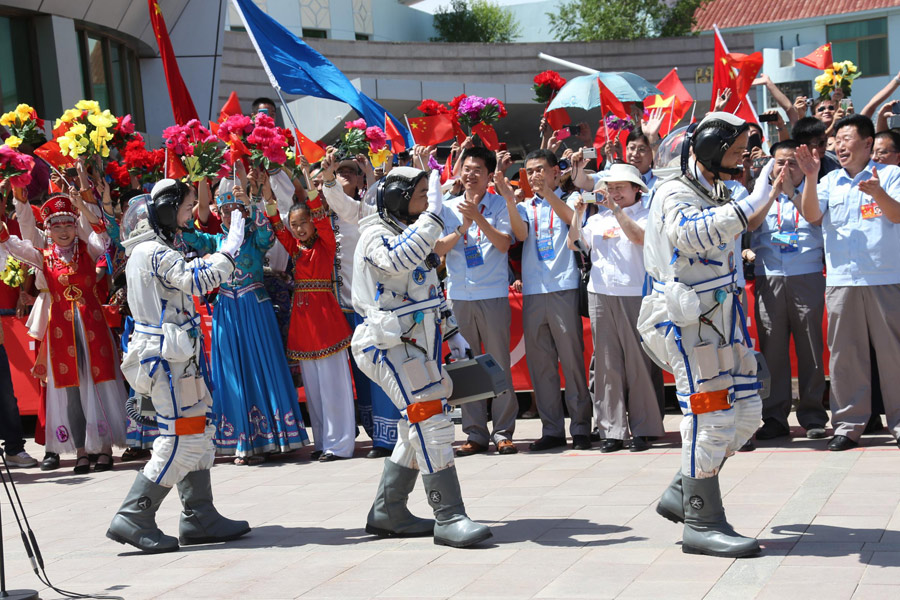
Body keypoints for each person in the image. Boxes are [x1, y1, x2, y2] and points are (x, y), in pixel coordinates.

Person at [639, 112, 769, 558]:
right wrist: (753, 200)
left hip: (723, 318)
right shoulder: (674, 192)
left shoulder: (714, 189)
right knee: (710, 419)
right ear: (710, 151)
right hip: (687, 322)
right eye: (733, 152)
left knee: (747, 414)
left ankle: (683, 488)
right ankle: (701, 520)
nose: (739, 160)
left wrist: (750, 196)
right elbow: (688, 236)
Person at [107, 180, 250, 553]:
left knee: (199, 430)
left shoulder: (152, 249)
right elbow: (196, 280)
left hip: (176, 356)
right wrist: (229, 249)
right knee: (182, 436)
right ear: (167, 209)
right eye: (186, 207)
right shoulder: (154, 251)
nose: (190, 214)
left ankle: (199, 514)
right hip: (168, 360)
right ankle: (134, 514)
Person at [351, 167, 491, 548]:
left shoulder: (411, 233)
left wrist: (453, 334)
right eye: (417, 196)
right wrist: (433, 217)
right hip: (386, 344)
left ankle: (388, 510)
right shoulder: (375, 235)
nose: (425, 202)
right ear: (395, 198)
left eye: (427, 196)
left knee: (417, 424)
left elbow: (431, 291)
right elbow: (397, 262)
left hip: (417, 345)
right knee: (430, 420)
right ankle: (449, 515)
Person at [1, 186, 127, 474]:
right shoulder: (43, 256)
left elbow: (102, 233)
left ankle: (104, 448)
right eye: (56, 226)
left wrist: (84, 203)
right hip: (60, 331)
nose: (63, 230)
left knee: (99, 384)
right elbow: (14, 244)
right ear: (48, 229)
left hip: (93, 327)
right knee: (70, 390)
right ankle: (82, 450)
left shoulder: (88, 249)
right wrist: (18, 203)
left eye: (68, 224)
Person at [181, 183, 310, 464]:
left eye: (235, 209)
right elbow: (191, 236)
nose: (229, 216)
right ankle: (242, 438)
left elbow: (269, 234)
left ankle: (271, 437)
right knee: (232, 372)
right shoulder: (216, 242)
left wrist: (252, 203)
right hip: (227, 310)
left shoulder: (253, 237)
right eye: (225, 211)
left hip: (255, 307)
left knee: (260, 368)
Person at [796, 114, 900, 451]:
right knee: (845, 356)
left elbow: (897, 214)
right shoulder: (828, 182)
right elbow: (811, 215)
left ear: (868, 143)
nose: (839, 145)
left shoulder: (891, 174)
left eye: (847, 138)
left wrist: (878, 193)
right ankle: (848, 425)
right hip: (842, 280)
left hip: (885, 277)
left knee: (893, 355)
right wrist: (810, 177)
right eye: (836, 140)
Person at [567, 163, 664, 452]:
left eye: (621, 187)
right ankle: (612, 430)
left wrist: (617, 210)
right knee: (607, 365)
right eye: (610, 188)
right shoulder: (598, 219)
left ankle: (644, 428)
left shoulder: (648, 213)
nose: (614, 193)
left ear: (637, 189)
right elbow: (574, 244)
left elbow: (639, 238)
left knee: (638, 362)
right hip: (600, 294)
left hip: (635, 293)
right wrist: (578, 213)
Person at [434, 147, 517, 457]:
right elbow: (439, 248)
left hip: (492, 295)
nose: (470, 174)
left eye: (477, 170)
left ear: (488, 175)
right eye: (466, 169)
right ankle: (474, 433)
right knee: (466, 365)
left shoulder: (499, 204)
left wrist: (478, 218)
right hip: (458, 296)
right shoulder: (448, 207)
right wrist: (462, 228)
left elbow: (504, 243)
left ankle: (503, 431)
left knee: (498, 365)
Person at [507, 149, 592, 452]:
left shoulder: (571, 199)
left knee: (571, 361)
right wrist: (509, 199)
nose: (534, 176)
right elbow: (518, 235)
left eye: (540, 170)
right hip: (533, 291)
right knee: (541, 365)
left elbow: (573, 221)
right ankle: (552, 429)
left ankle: (581, 427)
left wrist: (549, 195)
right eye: (530, 171)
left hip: (563, 287)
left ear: (557, 171)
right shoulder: (525, 206)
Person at [319, 149, 402, 459]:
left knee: (386, 371)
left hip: (383, 307)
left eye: (350, 172)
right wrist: (327, 177)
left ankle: (389, 437)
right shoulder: (349, 212)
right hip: (350, 306)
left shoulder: (376, 213)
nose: (345, 176)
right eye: (341, 172)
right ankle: (377, 433)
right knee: (365, 373)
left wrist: (375, 173)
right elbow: (337, 202)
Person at [747, 141, 828, 440]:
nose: (785, 169)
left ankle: (812, 415)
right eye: (780, 163)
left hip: (806, 274)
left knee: (810, 349)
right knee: (773, 352)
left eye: (792, 163)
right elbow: (752, 224)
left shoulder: (812, 192)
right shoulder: (758, 196)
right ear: (770, 166)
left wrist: (793, 193)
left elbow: (814, 219)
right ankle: (774, 416)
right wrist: (771, 195)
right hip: (769, 277)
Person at [266, 194, 356, 462]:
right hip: (304, 321)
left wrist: (307, 177)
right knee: (315, 389)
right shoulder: (296, 249)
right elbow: (277, 227)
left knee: (333, 386)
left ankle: (340, 445)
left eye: (303, 222)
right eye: (294, 224)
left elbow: (321, 217)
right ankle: (323, 441)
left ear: (314, 223)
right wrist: (268, 193)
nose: (298, 228)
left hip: (325, 318)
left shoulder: (325, 244)